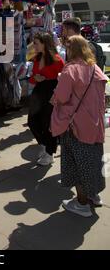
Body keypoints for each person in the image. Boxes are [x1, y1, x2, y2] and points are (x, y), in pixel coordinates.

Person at [51, 35, 108, 218]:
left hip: (75, 125)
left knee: (76, 164)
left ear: (71, 50)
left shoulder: (70, 70)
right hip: (95, 124)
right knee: (93, 160)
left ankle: (82, 203)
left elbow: (61, 97)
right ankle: (94, 196)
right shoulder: (95, 68)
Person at [28, 32, 65, 166]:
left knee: (48, 123)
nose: (34, 45)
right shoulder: (37, 58)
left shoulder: (57, 60)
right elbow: (32, 77)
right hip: (39, 90)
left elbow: (64, 79)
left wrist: (48, 79)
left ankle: (49, 154)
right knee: (32, 121)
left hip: (52, 91)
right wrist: (36, 78)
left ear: (45, 44)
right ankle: (43, 144)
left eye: (36, 43)